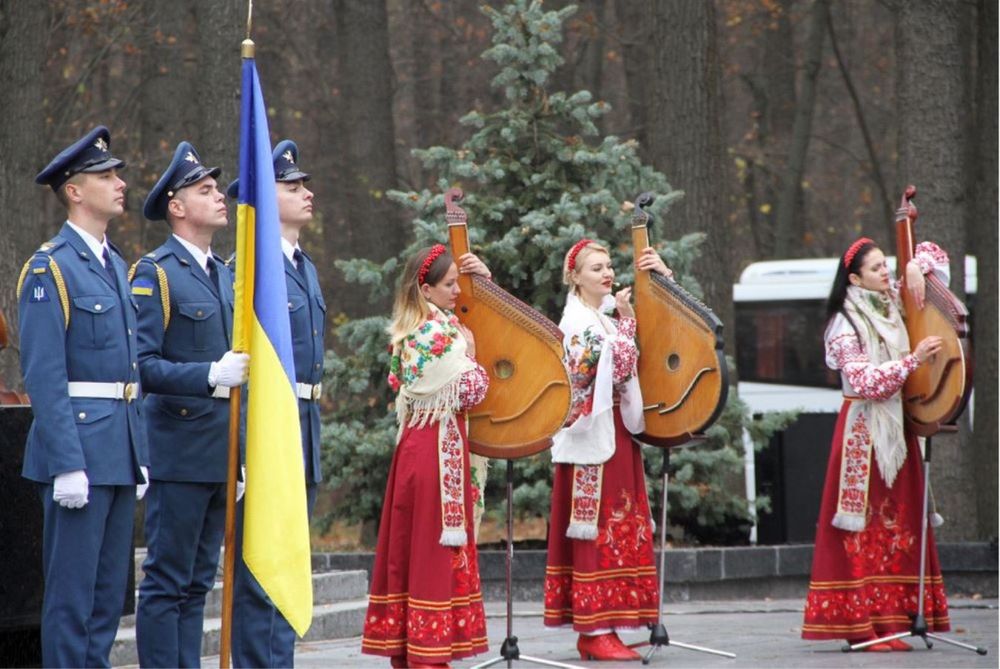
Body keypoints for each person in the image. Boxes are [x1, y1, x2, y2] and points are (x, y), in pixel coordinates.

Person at [18, 125, 149, 667]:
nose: (119, 183)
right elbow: (45, 376)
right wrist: (68, 464)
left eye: (116, 173)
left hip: (117, 452)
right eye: (105, 175)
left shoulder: (114, 265)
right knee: (72, 600)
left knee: (103, 603)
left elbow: (129, 369)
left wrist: (138, 455)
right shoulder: (52, 268)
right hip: (79, 452)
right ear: (74, 190)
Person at [131, 141, 249, 667]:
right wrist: (208, 376)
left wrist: (240, 453)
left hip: (220, 451)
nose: (219, 197)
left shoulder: (224, 274)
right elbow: (143, 366)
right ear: (176, 206)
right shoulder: (155, 273)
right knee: (167, 581)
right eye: (205, 190)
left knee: (199, 583)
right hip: (178, 451)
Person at [801, 237, 951, 651]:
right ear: (854, 278)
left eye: (886, 265)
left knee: (897, 523)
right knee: (862, 528)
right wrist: (913, 360)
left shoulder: (893, 302)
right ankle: (863, 625)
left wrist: (915, 267)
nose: (885, 273)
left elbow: (939, 258)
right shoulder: (843, 323)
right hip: (863, 433)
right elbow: (866, 382)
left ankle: (894, 619)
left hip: (896, 429)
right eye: (876, 269)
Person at [361, 244, 492, 668]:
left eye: (457, 283)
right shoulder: (428, 332)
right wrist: (471, 355)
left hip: (431, 448)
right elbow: (472, 387)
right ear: (426, 288)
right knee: (428, 548)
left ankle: (417, 649)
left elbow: (488, 328)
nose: (457, 291)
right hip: (432, 453)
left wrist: (483, 282)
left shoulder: (439, 324)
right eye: (450, 284)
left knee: (418, 545)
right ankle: (426, 655)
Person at [543, 239, 671, 662]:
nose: (607, 273)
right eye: (596, 268)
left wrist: (659, 283)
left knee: (618, 524)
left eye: (609, 265)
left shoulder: (601, 317)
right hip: (591, 440)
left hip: (613, 431)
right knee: (597, 527)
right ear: (575, 276)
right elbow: (615, 367)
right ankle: (594, 628)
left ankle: (609, 623)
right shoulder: (577, 320)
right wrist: (628, 323)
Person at [227, 139, 326, 668]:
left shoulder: (303, 267)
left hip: (303, 426)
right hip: (268, 435)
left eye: (304, 184)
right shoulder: (251, 269)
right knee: (262, 566)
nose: (307, 193)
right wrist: (242, 450)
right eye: (292, 187)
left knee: (288, 563)